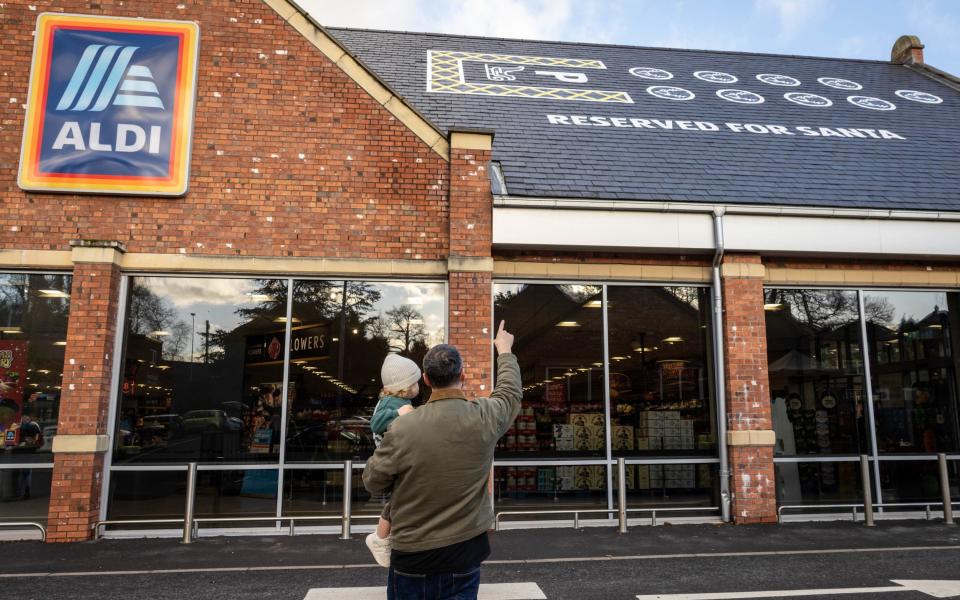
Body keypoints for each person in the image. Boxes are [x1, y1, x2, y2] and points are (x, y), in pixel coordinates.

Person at [363, 321, 520, 600]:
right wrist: (504, 351)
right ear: (463, 375)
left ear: (425, 379)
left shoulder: (403, 427)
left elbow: (373, 482)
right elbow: (509, 394)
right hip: (465, 554)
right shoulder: (484, 417)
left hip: (412, 558)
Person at [364, 353, 422, 567]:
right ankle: (379, 539)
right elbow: (375, 423)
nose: (418, 386)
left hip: (396, 456)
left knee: (399, 498)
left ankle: (385, 538)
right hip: (391, 457)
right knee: (397, 499)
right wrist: (399, 412)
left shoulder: (399, 399)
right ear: (404, 386)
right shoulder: (391, 402)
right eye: (415, 382)